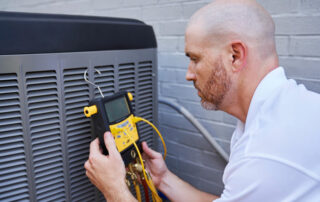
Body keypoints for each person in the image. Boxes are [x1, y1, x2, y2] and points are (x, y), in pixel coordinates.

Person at [84, 0, 320, 201]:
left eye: (195, 59)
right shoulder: (282, 111)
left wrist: (115, 189)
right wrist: (164, 180)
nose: (189, 74)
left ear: (235, 56)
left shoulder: (266, 151)